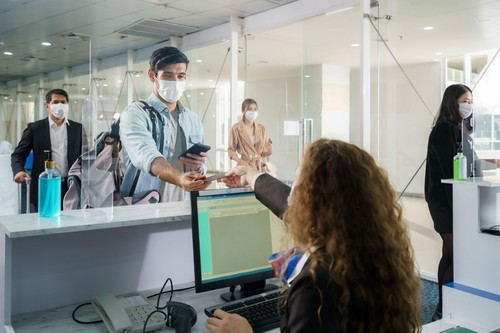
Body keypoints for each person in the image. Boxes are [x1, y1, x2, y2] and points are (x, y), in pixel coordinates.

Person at [208, 139, 421, 333]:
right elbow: (288, 204)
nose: (291, 195)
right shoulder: (375, 254)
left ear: (314, 203)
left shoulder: (315, 284)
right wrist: (252, 176)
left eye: (298, 185)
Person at [119, 46, 211, 202]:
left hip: (185, 204)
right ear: (152, 75)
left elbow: (201, 165)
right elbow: (148, 157)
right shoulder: (136, 113)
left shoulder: (192, 119)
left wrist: (198, 169)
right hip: (144, 205)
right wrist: (180, 178)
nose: (175, 81)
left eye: (181, 76)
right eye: (168, 75)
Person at [424, 83, 482, 321]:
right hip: (445, 204)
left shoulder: (460, 129)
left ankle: (442, 307)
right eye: (464, 100)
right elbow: (452, 168)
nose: (468, 105)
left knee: (449, 255)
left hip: (456, 202)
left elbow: (470, 164)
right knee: (458, 257)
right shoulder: (444, 130)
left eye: (470, 101)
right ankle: (447, 309)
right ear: (452, 102)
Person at [11, 88, 84, 212]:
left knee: (72, 224)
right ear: (47, 106)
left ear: (67, 105)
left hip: (71, 185)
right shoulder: (35, 128)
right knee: (46, 223)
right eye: (55, 102)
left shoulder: (77, 128)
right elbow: (18, 154)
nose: (60, 105)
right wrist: (18, 171)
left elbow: (84, 155)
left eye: (63, 102)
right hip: (45, 185)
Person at [228, 98, 272, 172]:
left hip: (260, 167)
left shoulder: (261, 128)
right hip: (245, 166)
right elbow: (231, 150)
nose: (253, 112)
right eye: (250, 109)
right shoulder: (236, 128)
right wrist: (240, 161)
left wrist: (269, 149)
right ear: (243, 111)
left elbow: (263, 153)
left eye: (255, 109)